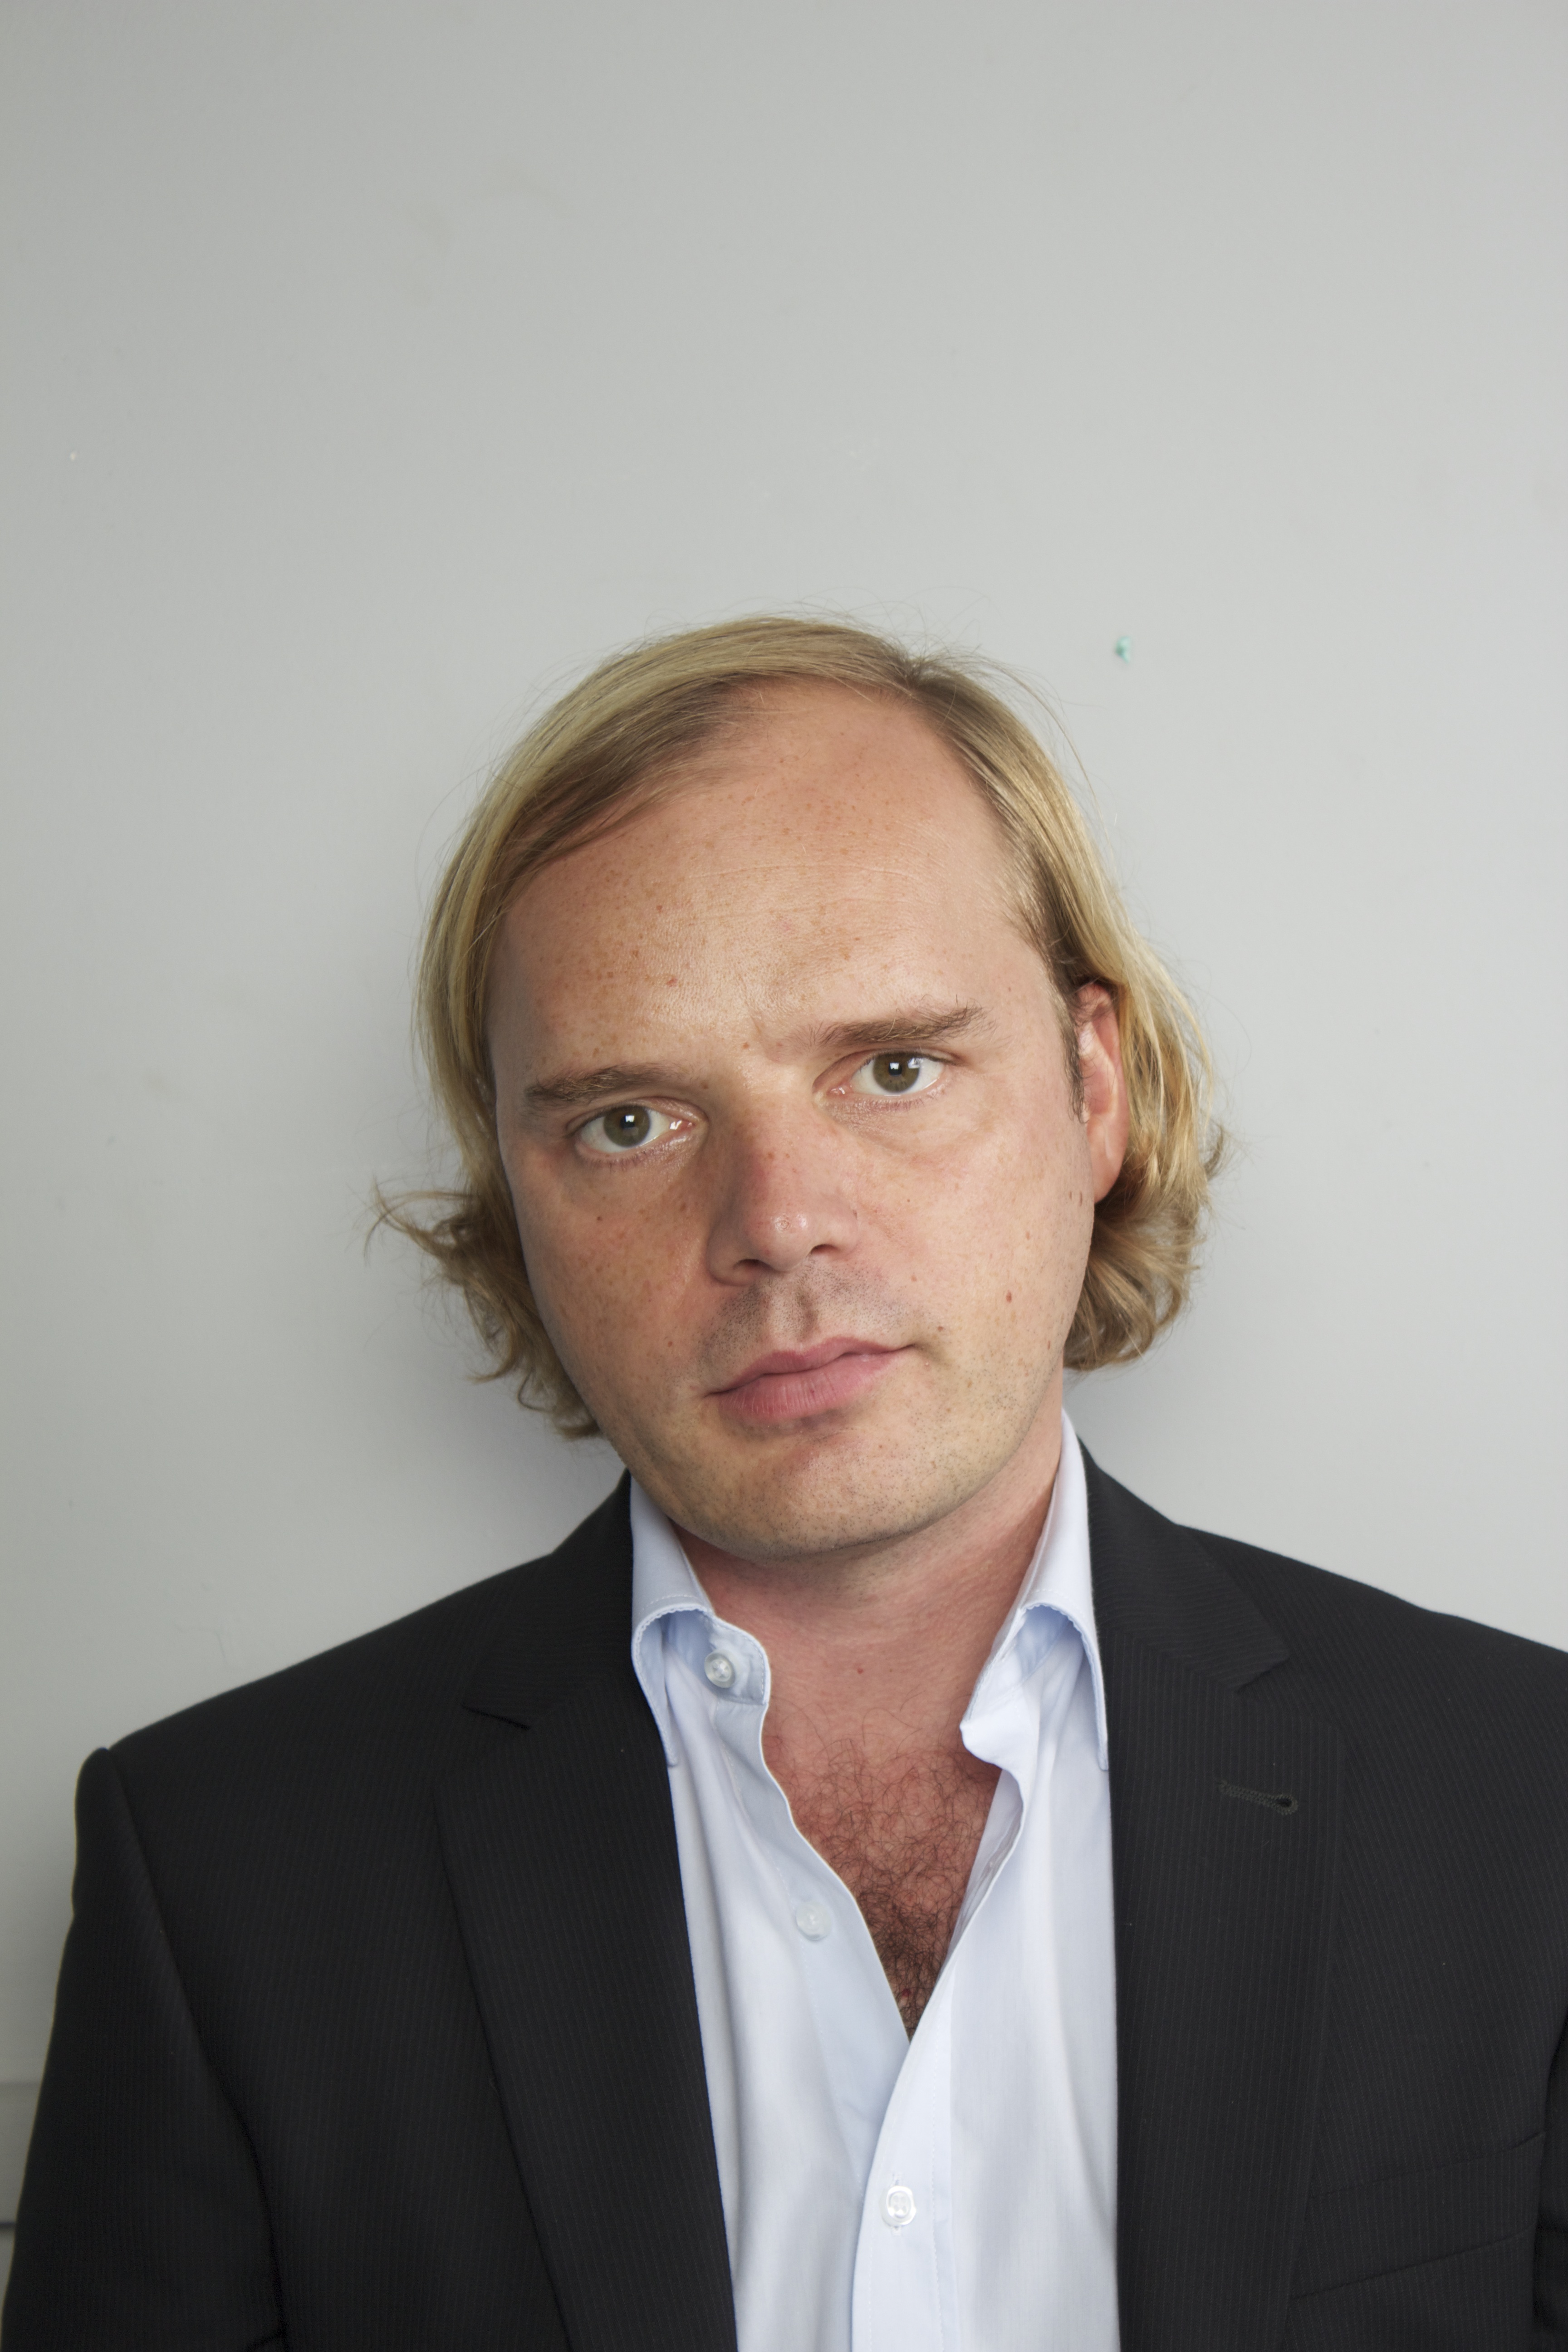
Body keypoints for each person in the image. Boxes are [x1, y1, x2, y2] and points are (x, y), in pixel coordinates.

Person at [5, 617, 1565, 2352]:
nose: (775, 1223)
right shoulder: (222, 1878)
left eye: (893, 1068)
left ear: (1094, 1089)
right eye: (628, 1121)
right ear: (516, 1196)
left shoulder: (1528, 1806)